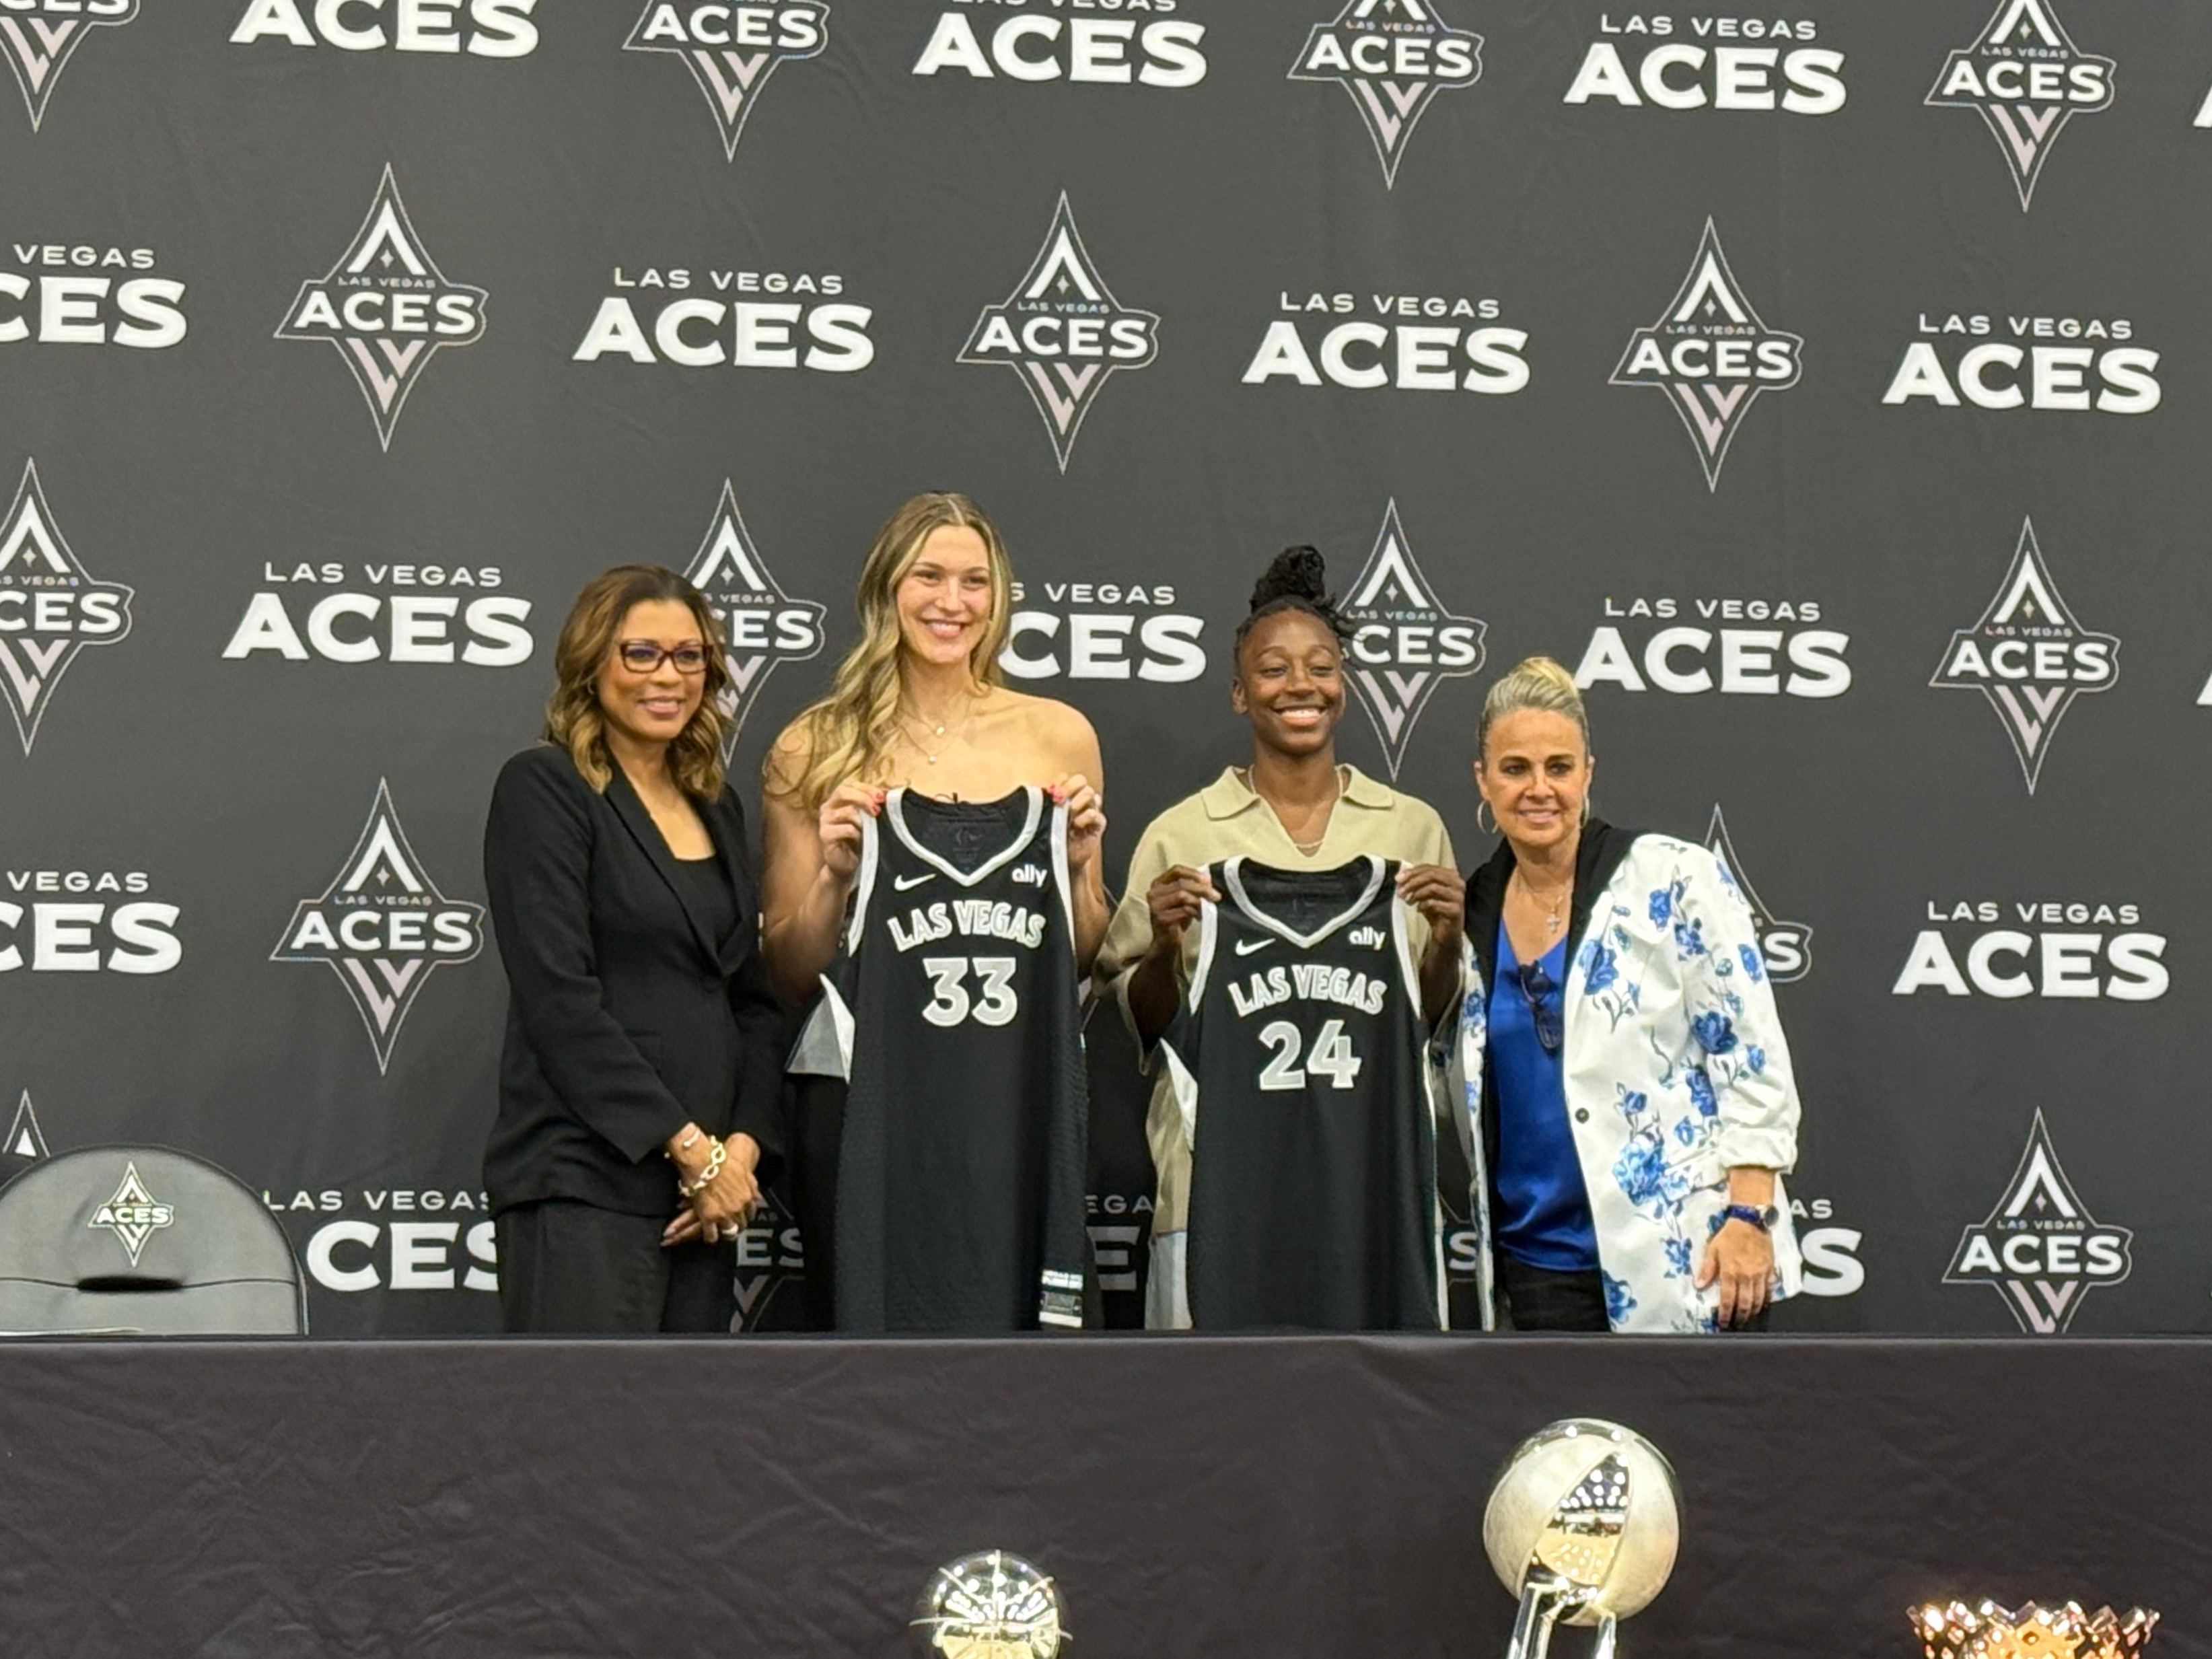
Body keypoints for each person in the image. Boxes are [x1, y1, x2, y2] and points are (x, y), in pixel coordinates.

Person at [761, 491, 1106, 1329]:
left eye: (974, 582)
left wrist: (1077, 864)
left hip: (1013, 1086)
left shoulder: (1058, 732)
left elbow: (1085, 950)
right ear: (887, 587)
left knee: (1027, 1341)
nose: (951, 603)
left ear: (999, 598)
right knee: (872, 1338)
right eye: (929, 577)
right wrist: (834, 878)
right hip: (867, 1096)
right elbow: (784, 969)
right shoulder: (812, 743)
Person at [1098, 547, 1467, 1329]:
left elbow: (1426, 1019)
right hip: (1215, 1190)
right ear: (1239, 691)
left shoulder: (1411, 827)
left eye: (1321, 666)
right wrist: (1163, 948)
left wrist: (1443, 942)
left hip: (1373, 1189)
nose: (1300, 685)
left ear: (1343, 682)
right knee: (1213, 1428)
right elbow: (1146, 1023)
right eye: (1272, 669)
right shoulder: (1180, 833)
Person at [1462, 656, 1803, 1333]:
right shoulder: (1471, 906)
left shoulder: (1673, 878)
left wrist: (1746, 1216)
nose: (1538, 789)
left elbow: (1750, 1057)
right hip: (1537, 1270)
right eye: (1514, 768)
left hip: (1689, 1259)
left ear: (1587, 772)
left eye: (1558, 767)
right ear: (1482, 779)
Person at [482, 565, 783, 1334]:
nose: (668, 676)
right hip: (585, 1183)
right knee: (580, 1443)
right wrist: (690, 1152)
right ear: (590, 665)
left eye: (689, 657)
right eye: (641, 653)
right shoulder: (544, 786)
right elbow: (560, 1000)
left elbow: (748, 996)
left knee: (681, 1446)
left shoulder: (717, 803)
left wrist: (737, 1155)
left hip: (703, 1204)